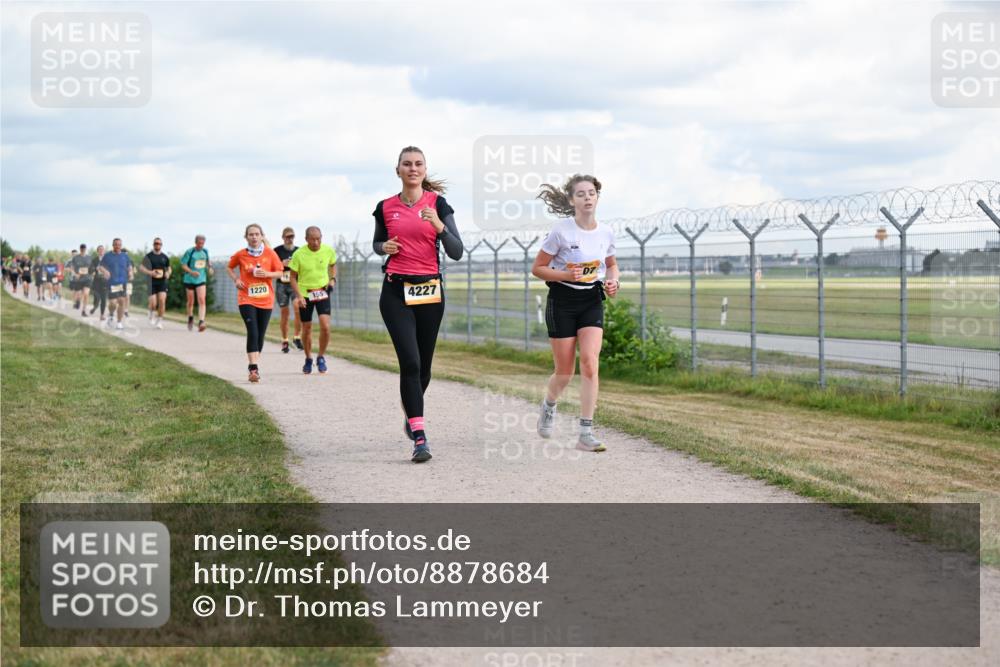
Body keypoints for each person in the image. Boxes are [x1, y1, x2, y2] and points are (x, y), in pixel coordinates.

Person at [372, 145, 463, 463]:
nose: (413, 168)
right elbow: (376, 243)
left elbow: (456, 250)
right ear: (397, 170)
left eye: (418, 164)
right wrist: (384, 246)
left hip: (429, 293)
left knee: (424, 367)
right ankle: (420, 438)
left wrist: (439, 225)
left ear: (425, 170)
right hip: (395, 292)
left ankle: (412, 414)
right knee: (409, 363)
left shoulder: (438, 204)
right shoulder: (385, 207)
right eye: (406, 164)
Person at [531, 174, 619, 452]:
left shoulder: (606, 232)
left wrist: (614, 280)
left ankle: (585, 432)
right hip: (563, 300)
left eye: (591, 192)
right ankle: (549, 404)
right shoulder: (561, 231)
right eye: (580, 194)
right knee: (565, 372)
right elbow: (538, 268)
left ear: (597, 197)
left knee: (591, 363)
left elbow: (612, 264)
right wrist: (566, 273)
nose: (587, 197)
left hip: (592, 299)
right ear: (571, 200)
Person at [228, 224, 283, 383]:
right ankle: (253, 368)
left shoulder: (270, 254)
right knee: (252, 331)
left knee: (260, 335)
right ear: (246, 237)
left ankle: (254, 364)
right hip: (246, 298)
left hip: (266, 300)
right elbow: (229, 267)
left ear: (261, 236)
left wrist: (267, 274)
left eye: (257, 234)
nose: (254, 237)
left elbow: (280, 272)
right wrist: (236, 279)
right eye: (251, 234)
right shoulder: (241, 254)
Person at [289, 226, 337, 375]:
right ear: (306, 239)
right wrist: (299, 296)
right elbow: (292, 277)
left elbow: (333, 265)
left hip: (322, 292)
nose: (316, 242)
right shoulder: (299, 254)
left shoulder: (328, 250)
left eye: (319, 239)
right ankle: (308, 358)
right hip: (305, 295)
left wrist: (332, 279)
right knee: (307, 328)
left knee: (325, 326)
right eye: (313, 239)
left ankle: (321, 357)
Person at [273, 227, 303, 354]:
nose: (290, 239)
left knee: (298, 307)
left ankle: (297, 337)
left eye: (292, 236)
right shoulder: (277, 250)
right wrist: (281, 264)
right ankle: (284, 341)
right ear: (283, 237)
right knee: (285, 314)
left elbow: (304, 266)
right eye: (287, 237)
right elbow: (271, 266)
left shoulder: (299, 251)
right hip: (282, 285)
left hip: (295, 283)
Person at [99, 238, 134, 330]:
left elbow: (129, 266)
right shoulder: (107, 256)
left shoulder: (125, 256)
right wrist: (105, 271)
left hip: (123, 282)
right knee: (113, 303)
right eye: (116, 244)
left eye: (119, 244)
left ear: (121, 245)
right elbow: (100, 267)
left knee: (122, 301)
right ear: (113, 245)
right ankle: (111, 315)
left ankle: (119, 322)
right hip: (112, 283)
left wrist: (130, 272)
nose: (118, 246)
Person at [180, 235, 213, 331]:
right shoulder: (190, 252)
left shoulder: (205, 251)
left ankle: (201, 322)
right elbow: (183, 265)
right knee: (191, 301)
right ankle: (190, 317)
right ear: (196, 243)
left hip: (201, 279)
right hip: (189, 279)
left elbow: (207, 263)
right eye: (199, 243)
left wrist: (210, 268)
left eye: (202, 243)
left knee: (202, 299)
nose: (201, 245)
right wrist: (191, 272)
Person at [140, 238, 171, 329]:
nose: (157, 245)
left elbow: (169, 268)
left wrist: (168, 273)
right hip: (151, 282)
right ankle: (151, 312)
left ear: (161, 245)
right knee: (153, 303)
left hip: (162, 282)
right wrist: (150, 272)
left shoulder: (165, 257)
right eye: (156, 243)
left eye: (159, 244)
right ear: (153, 244)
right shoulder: (148, 256)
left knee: (162, 300)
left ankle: (159, 321)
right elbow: (141, 267)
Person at [69, 244, 92, 316]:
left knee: (86, 294)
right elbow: (72, 268)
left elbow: (92, 267)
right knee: (78, 295)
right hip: (78, 279)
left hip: (87, 279)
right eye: (81, 248)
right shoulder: (76, 258)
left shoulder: (89, 257)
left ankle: (84, 311)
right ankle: (78, 301)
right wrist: (75, 274)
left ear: (86, 249)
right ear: (80, 249)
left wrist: (92, 273)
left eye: (84, 248)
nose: (83, 249)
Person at [89, 245, 107, 317]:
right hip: (96, 282)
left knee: (104, 299)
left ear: (104, 251)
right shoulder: (94, 260)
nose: (101, 251)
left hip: (105, 282)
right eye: (100, 250)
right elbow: (90, 270)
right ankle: (95, 306)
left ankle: (102, 315)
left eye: (102, 250)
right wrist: (94, 270)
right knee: (97, 297)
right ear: (97, 251)